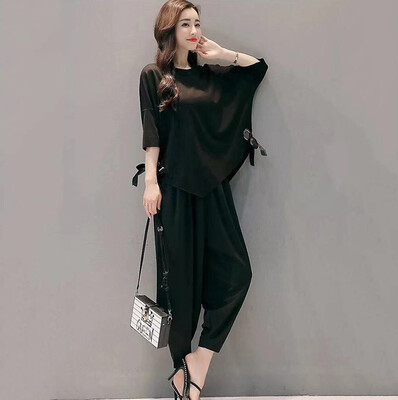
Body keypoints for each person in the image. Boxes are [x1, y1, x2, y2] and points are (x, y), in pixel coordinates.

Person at [134, 1, 268, 399]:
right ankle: (183, 377)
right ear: (169, 30)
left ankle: (199, 363)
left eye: (197, 23)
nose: (193, 31)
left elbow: (256, 69)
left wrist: (223, 54)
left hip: (212, 192)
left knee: (238, 274)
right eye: (185, 24)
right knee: (179, 287)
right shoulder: (154, 75)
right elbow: (152, 132)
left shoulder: (211, 77)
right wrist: (151, 182)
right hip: (174, 191)